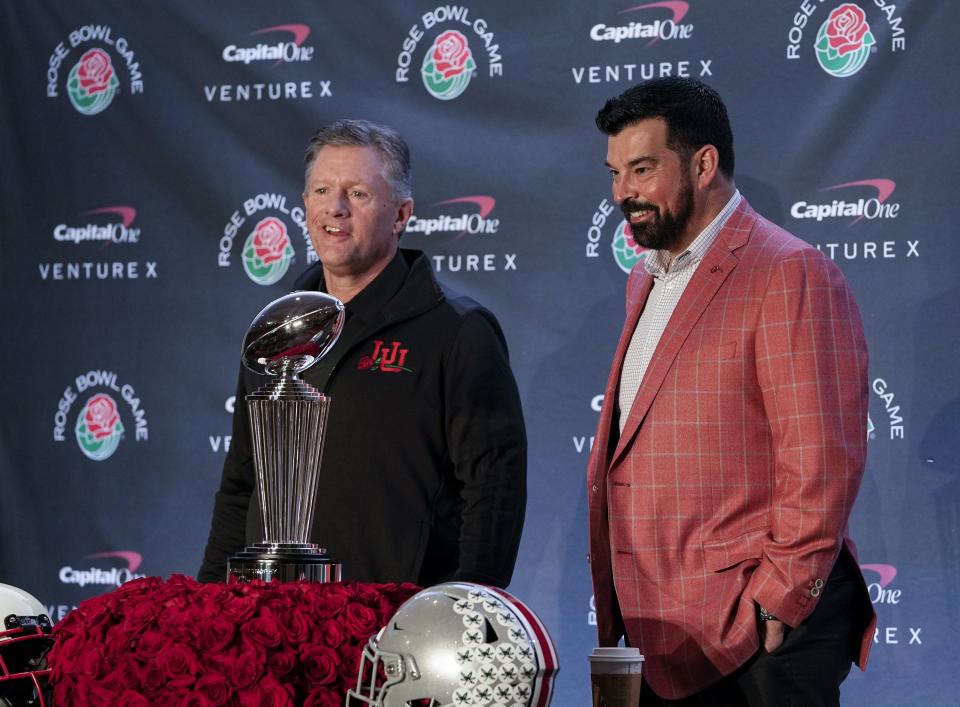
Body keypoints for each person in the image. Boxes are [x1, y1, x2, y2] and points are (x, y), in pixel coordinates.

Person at [586, 78, 876, 706]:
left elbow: (821, 454)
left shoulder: (788, 271)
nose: (622, 193)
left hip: (756, 640)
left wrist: (781, 597)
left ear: (704, 163)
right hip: (668, 632)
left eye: (642, 169)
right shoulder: (646, 279)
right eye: (614, 173)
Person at [199, 119, 526, 588]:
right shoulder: (274, 333)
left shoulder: (458, 332)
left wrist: (463, 614)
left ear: (401, 214)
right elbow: (242, 485)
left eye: (358, 194)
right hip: (270, 624)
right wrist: (210, 603)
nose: (335, 209)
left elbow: (493, 493)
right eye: (321, 190)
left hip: (395, 633)